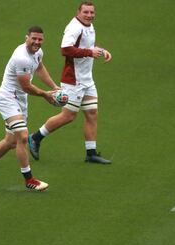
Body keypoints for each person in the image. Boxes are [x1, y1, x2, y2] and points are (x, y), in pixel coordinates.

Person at [0, 26, 60, 190]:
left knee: (11, 141)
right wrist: (46, 95)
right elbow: (26, 86)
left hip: (20, 100)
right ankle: (29, 180)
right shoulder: (22, 57)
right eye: (33, 38)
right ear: (26, 37)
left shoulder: (37, 53)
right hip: (8, 99)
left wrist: (55, 87)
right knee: (23, 137)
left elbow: (40, 68)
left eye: (40, 39)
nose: (36, 42)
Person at [28, 1, 113, 164]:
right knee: (68, 116)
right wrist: (90, 52)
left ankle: (91, 153)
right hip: (73, 80)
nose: (89, 15)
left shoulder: (88, 26)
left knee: (92, 113)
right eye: (86, 12)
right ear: (78, 12)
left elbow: (87, 45)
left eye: (91, 13)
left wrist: (100, 50)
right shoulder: (74, 27)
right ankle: (35, 137)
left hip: (87, 79)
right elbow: (65, 49)